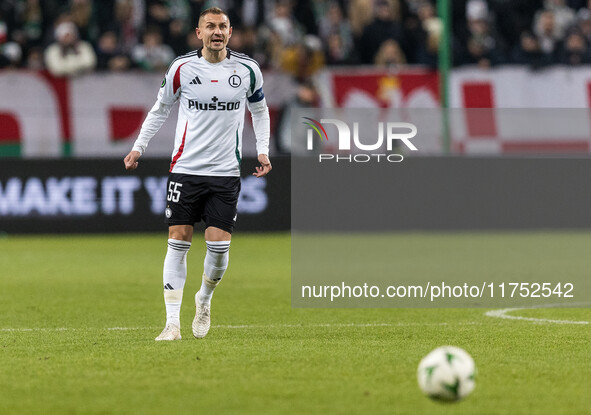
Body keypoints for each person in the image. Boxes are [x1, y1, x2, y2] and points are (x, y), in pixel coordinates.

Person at [123, 7, 271, 341]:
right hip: (185, 170)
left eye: (222, 27)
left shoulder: (247, 69)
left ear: (230, 32)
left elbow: (259, 111)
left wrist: (262, 149)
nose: (216, 32)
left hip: (225, 173)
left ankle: (203, 299)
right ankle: (172, 323)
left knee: (218, 251)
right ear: (198, 32)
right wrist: (138, 147)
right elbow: (160, 109)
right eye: (210, 27)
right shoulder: (182, 68)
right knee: (178, 240)